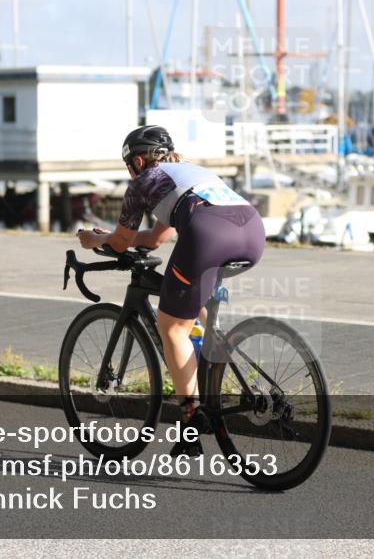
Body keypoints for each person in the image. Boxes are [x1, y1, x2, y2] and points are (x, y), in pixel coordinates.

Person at [77, 125, 265, 455]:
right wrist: (114, 236)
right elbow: (154, 239)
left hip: (209, 234)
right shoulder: (187, 172)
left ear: (137, 161)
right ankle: (217, 359)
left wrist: (98, 239)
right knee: (194, 304)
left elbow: (121, 243)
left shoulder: (143, 182)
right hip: (251, 232)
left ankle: (191, 425)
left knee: (172, 327)